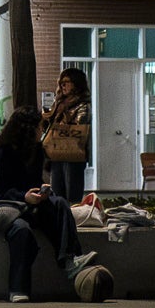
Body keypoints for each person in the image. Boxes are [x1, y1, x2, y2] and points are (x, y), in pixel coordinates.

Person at [0, 106, 96, 302]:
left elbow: (31, 181)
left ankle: (70, 259)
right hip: (3, 205)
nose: (43, 130)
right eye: (40, 126)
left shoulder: (36, 151)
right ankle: (18, 288)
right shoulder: (2, 151)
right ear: (27, 129)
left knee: (60, 205)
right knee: (21, 230)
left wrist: (41, 191)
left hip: (28, 202)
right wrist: (24, 197)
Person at [40, 67, 92, 205]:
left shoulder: (83, 105)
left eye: (67, 82)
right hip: (56, 152)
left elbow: (79, 126)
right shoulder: (58, 103)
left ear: (76, 83)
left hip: (73, 152)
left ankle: (72, 218)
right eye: (61, 82)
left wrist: (64, 114)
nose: (63, 85)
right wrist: (47, 117)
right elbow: (50, 127)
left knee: (72, 190)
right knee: (57, 189)